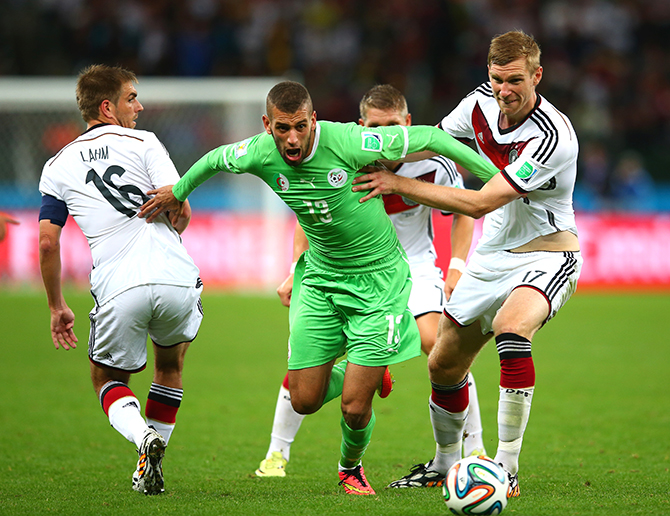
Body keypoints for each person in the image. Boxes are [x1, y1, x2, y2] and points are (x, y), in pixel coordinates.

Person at [139, 80, 499, 495]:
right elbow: (224, 162)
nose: (291, 139)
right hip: (323, 278)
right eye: (281, 129)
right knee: (304, 398)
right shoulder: (262, 151)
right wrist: (178, 191)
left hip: (386, 277)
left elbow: (437, 143)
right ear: (267, 125)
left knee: (393, 379)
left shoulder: (357, 143)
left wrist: (499, 183)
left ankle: (373, 464)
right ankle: (343, 391)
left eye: (299, 127)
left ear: (313, 120)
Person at [352, 30, 582, 498]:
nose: (504, 90)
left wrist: (397, 182)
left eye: (515, 80)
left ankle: (506, 468)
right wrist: (361, 152)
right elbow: (430, 144)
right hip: (492, 255)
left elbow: (478, 204)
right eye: (497, 79)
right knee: (443, 363)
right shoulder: (477, 105)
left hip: (546, 254)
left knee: (512, 328)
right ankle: (444, 463)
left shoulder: (553, 136)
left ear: (537, 75)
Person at [254, 85, 487, 482]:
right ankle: (277, 452)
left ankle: (474, 446)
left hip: (414, 268)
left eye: (392, 126)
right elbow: (311, 215)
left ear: (406, 124)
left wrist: (457, 266)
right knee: (308, 361)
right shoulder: (346, 154)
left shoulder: (433, 166)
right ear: (363, 126)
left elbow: (463, 209)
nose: (384, 137)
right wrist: (296, 269)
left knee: (440, 346)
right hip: (345, 272)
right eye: (375, 126)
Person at [38, 64, 203, 496]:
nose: (140, 105)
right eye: (132, 97)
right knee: (170, 365)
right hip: (176, 279)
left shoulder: (57, 165)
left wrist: (57, 306)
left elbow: (46, 244)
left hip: (119, 286)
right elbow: (179, 209)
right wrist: (173, 221)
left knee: (105, 378)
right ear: (107, 106)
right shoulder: (145, 141)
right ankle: (155, 453)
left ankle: (142, 441)